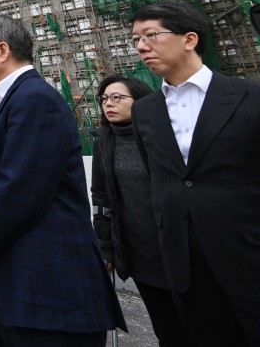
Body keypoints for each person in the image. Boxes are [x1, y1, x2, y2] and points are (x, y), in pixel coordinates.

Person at [0, 14, 124, 346]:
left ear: (2, 50)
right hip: (28, 283)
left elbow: (17, 192)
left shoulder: (33, 99)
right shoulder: (12, 100)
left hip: (51, 290)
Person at [129, 1, 260, 346]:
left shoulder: (253, 97)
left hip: (251, 257)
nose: (141, 47)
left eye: (151, 35)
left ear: (189, 39)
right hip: (185, 265)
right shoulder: (145, 111)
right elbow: (159, 179)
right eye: (136, 39)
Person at [91, 74, 193, 347]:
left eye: (117, 97)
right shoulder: (103, 141)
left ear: (142, 100)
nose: (108, 103)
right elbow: (101, 197)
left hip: (183, 249)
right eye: (104, 99)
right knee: (168, 331)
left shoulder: (167, 134)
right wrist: (106, 246)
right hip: (141, 255)